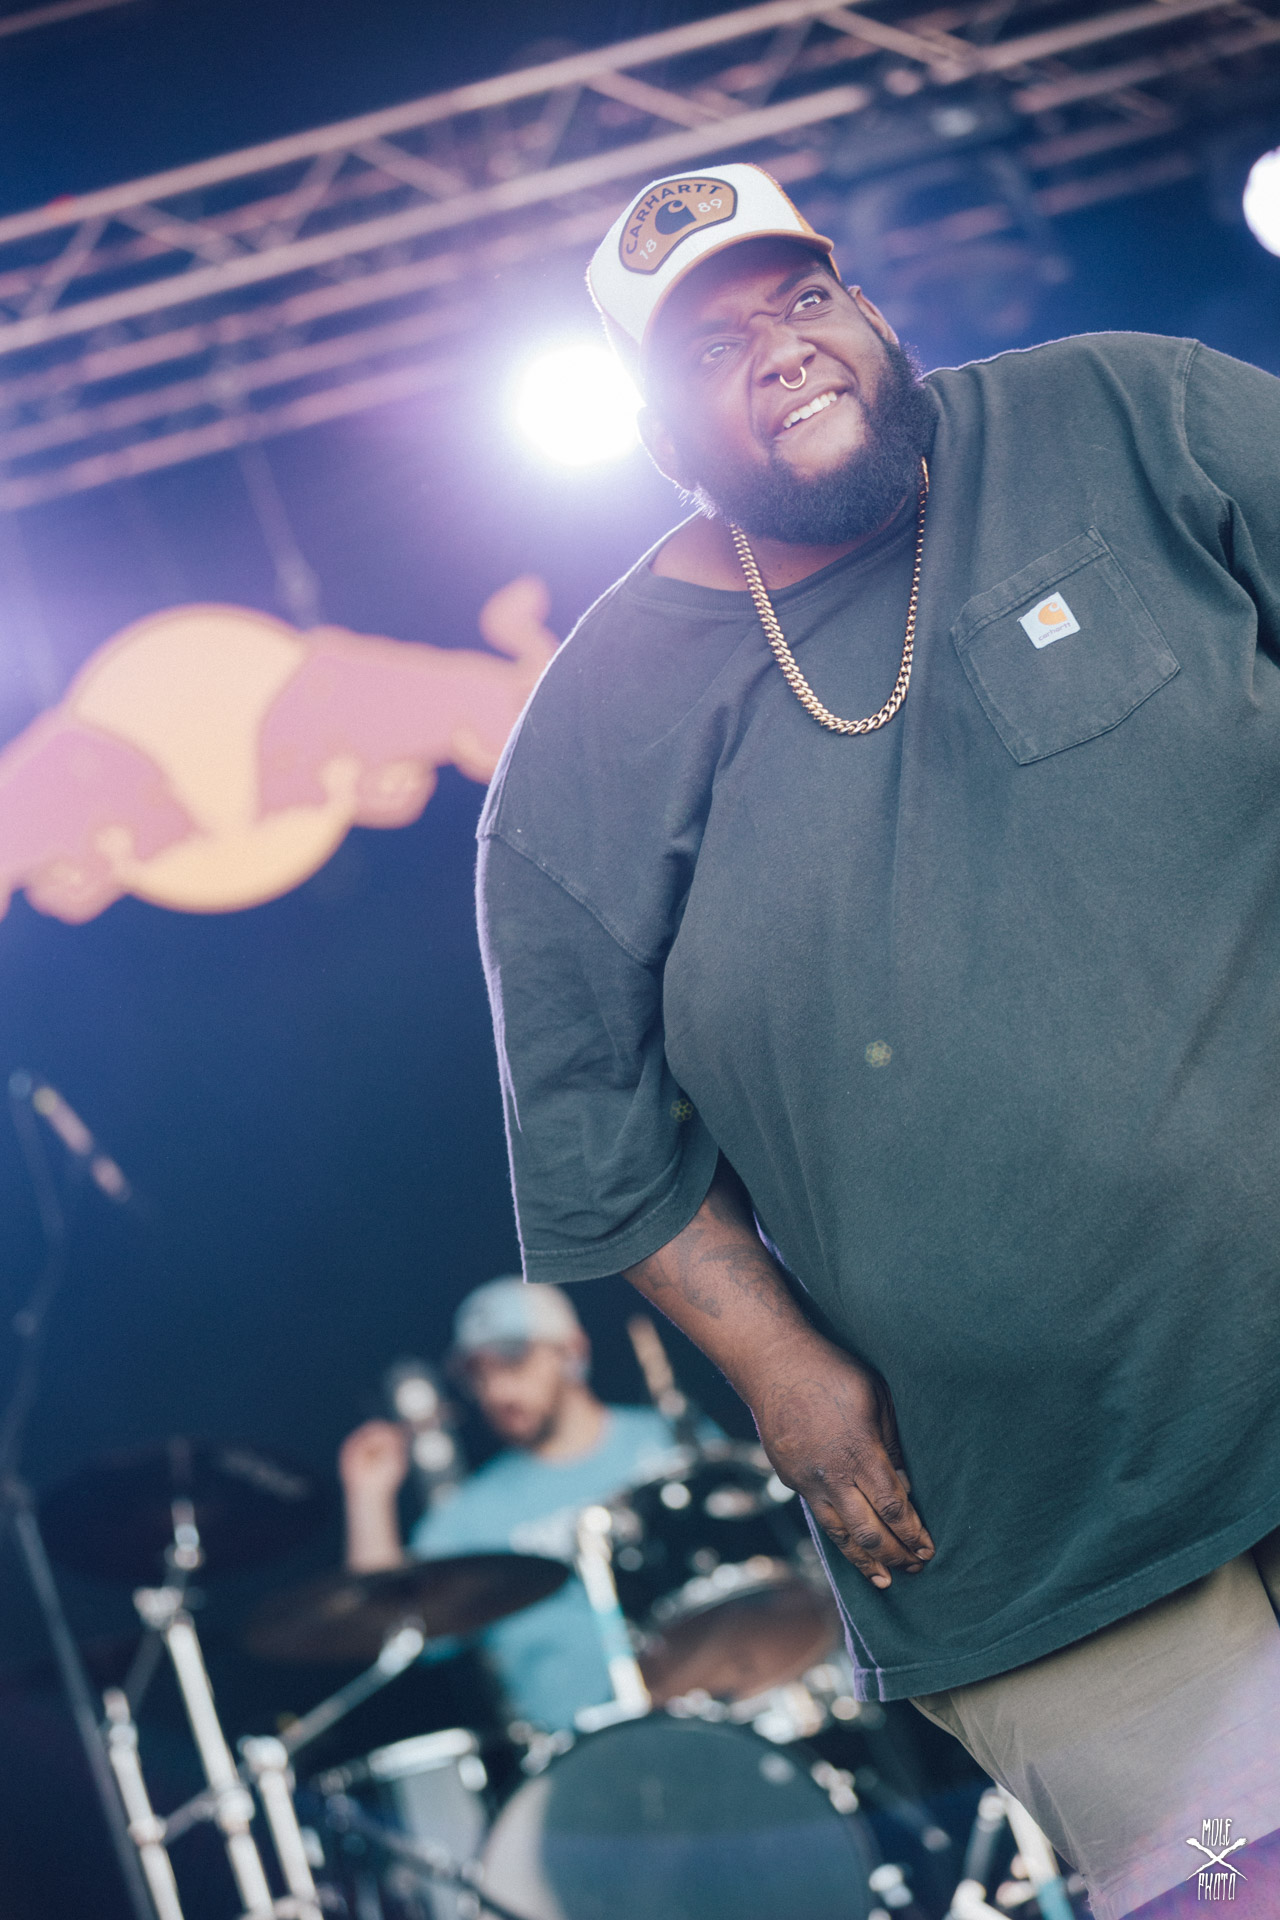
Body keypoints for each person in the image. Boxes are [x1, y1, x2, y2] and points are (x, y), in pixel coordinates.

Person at [475, 161, 1280, 1918]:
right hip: (1033, 1508)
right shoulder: (589, 745)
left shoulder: (1127, 415)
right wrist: (772, 1359)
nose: (779, 348)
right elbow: (597, 1138)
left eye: (801, 299)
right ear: (653, 431)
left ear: (871, 313)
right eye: (712, 347)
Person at [339, 1276, 694, 1731]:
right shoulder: (468, 1515)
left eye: (513, 1360)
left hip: (717, 1705)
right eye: (477, 1374)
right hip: (580, 1750)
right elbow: (391, 1628)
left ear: (573, 1349)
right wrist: (369, 1495)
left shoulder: (666, 1442)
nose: (495, 1390)